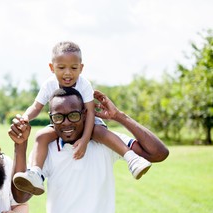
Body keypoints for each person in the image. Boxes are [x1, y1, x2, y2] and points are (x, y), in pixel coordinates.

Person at [9, 88, 169, 213]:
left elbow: (158, 153)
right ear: (51, 118)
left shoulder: (107, 141)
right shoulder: (47, 148)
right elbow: (20, 196)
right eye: (58, 117)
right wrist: (21, 145)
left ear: (86, 114)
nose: (66, 123)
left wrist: (119, 116)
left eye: (74, 115)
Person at [13, 41, 152, 195]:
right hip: (63, 122)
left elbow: (90, 113)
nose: (67, 73)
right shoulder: (49, 85)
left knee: (99, 131)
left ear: (81, 68)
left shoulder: (84, 84)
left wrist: (85, 141)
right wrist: (25, 117)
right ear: (52, 68)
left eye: (73, 68)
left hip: (87, 121)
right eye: (61, 68)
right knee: (41, 136)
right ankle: (36, 174)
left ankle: (132, 159)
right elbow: (36, 107)